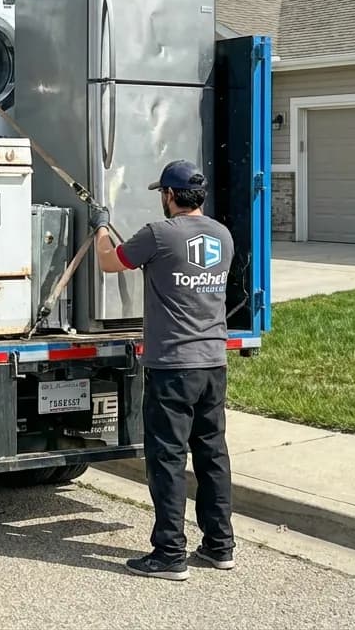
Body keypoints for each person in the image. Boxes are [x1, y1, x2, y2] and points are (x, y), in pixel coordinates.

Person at [88, 159, 236, 582]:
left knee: (168, 457)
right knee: (212, 453)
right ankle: (219, 545)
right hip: (213, 363)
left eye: (162, 194)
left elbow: (110, 262)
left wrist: (100, 226)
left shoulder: (159, 235)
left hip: (172, 365)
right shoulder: (222, 236)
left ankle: (170, 553)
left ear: (169, 196)